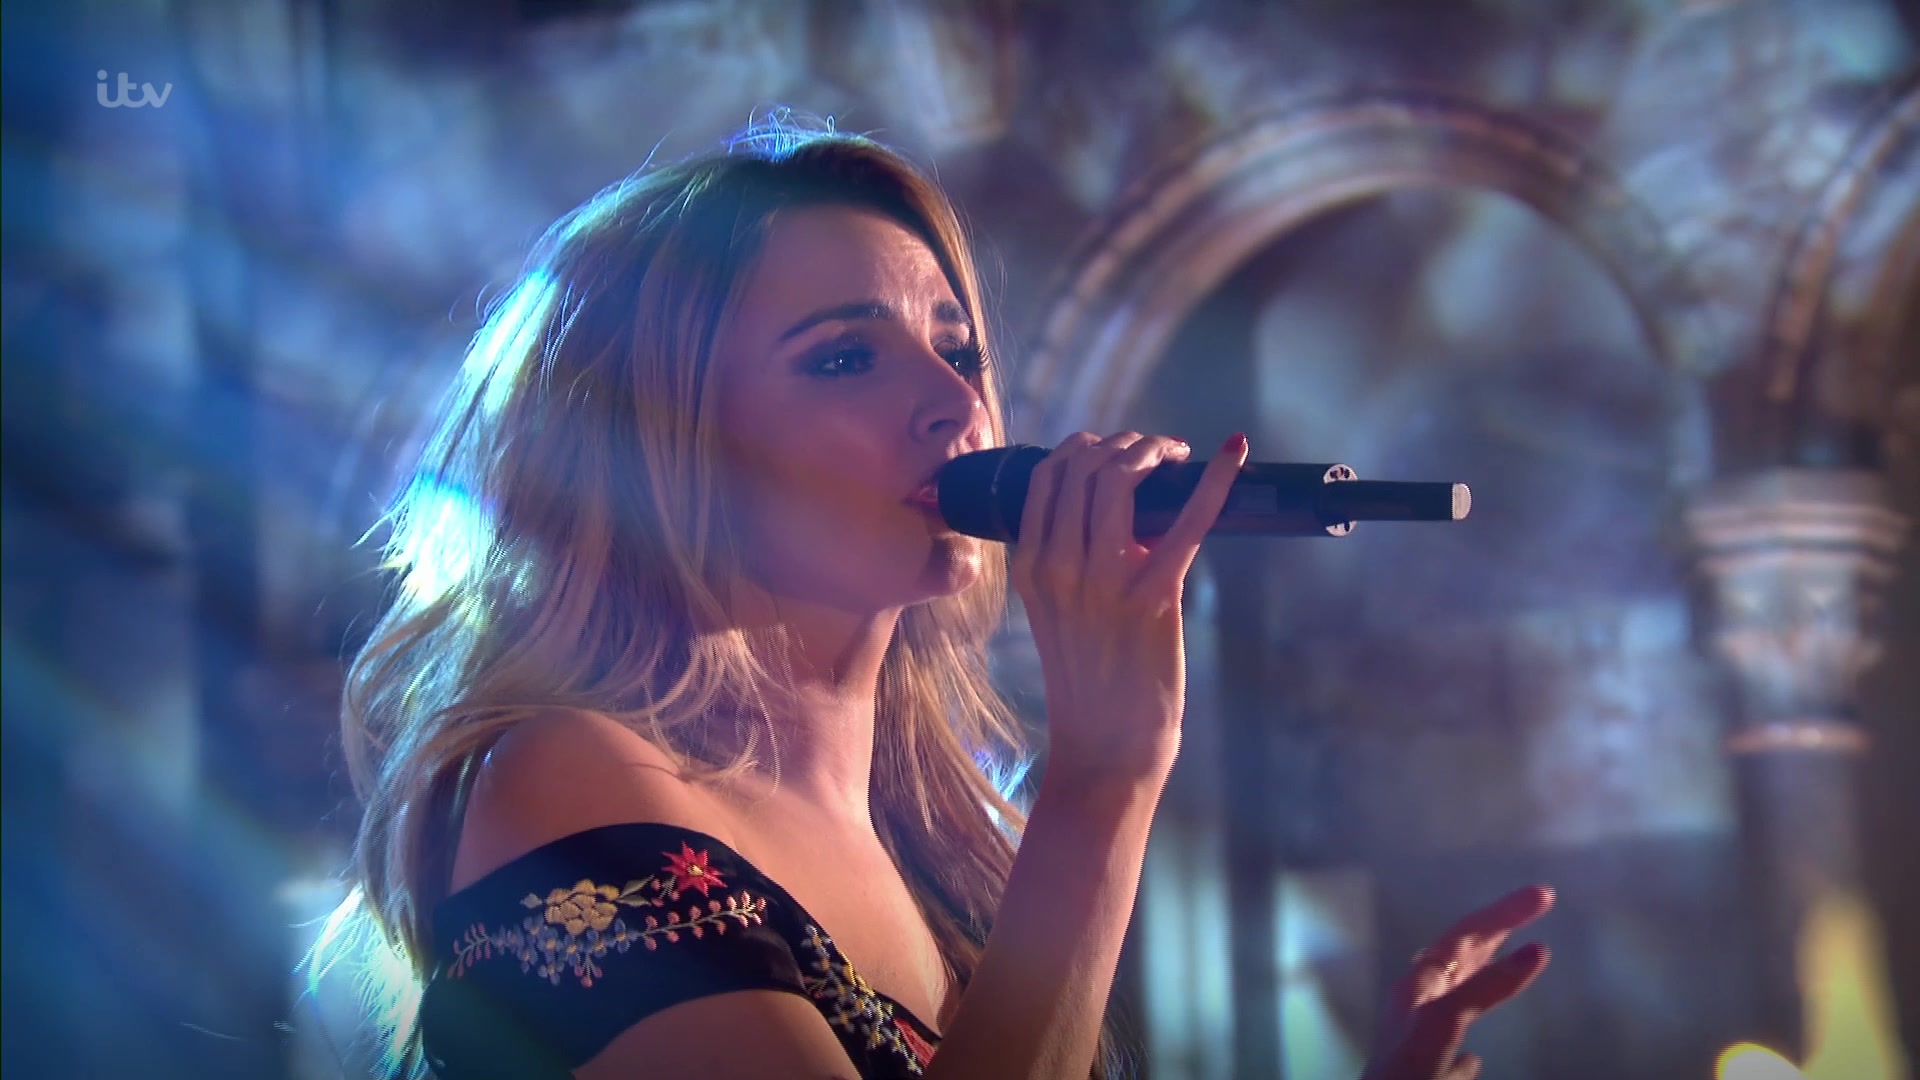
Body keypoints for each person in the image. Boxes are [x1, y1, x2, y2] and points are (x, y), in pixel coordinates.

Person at [317, 119, 1553, 1080]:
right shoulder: (570, 780)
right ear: (659, 444)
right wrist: (1105, 779)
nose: (957, 405)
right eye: (844, 357)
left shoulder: (948, 839)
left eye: (958, 351)